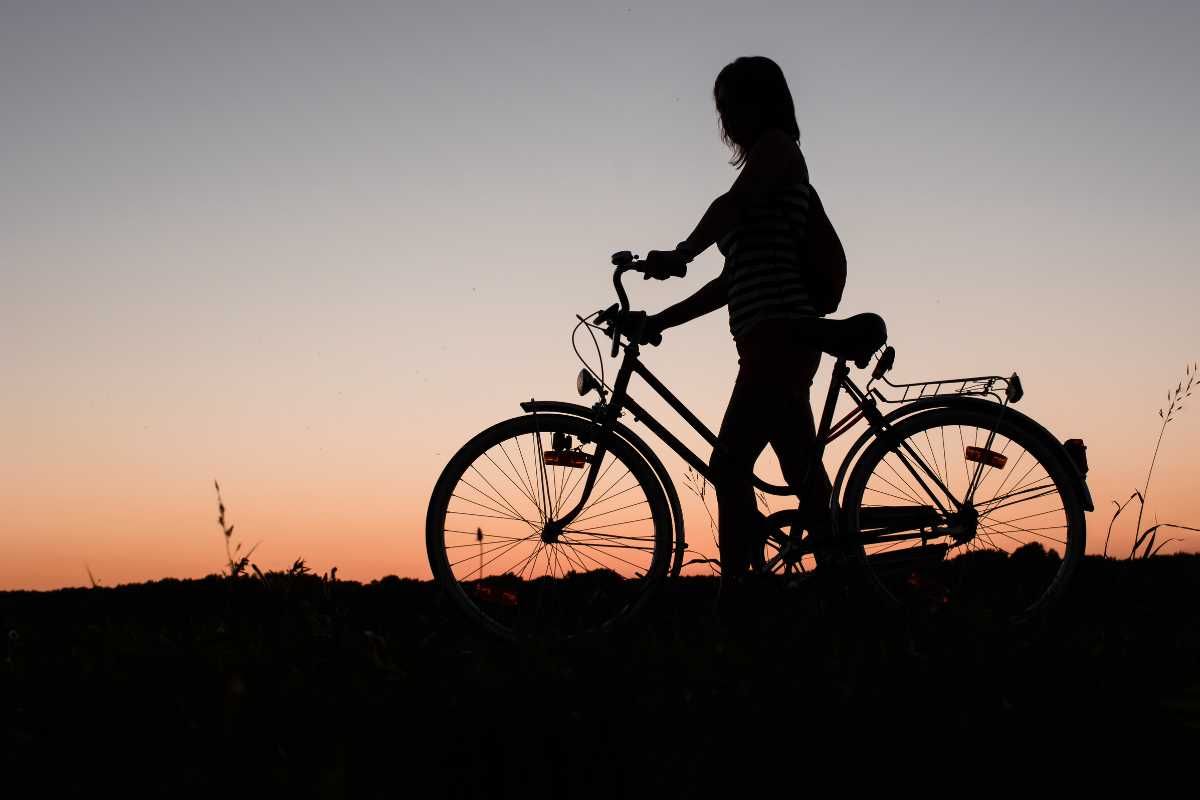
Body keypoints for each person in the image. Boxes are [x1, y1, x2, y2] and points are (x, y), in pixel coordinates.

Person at [640, 55, 834, 584]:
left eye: (732, 104)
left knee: (729, 466)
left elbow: (730, 206)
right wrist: (660, 321)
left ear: (761, 102)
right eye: (720, 107)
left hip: (780, 334)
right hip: (770, 339)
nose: (724, 118)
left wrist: (681, 251)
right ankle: (846, 589)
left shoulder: (776, 153)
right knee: (800, 470)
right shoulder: (765, 171)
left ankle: (742, 599)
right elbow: (729, 285)